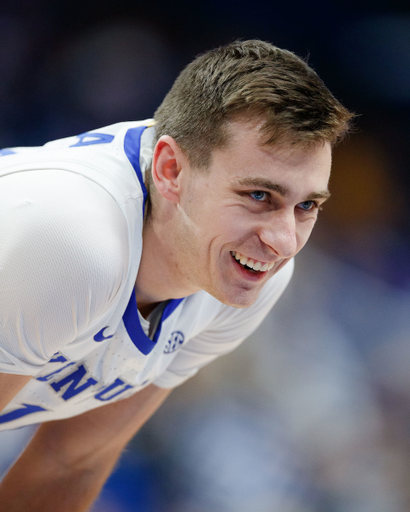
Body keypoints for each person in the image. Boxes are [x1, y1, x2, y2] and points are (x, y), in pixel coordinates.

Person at [0, 39, 352, 511]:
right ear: (171, 170)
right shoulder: (71, 241)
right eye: (258, 196)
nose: (283, 242)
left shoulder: (242, 274)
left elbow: (69, 462)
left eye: (306, 205)